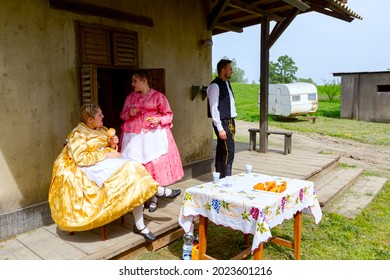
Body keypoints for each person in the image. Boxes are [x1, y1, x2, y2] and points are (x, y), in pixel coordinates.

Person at [48, 103, 180, 242]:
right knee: (130, 169)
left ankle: (142, 222)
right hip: (89, 166)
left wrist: (112, 144)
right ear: (90, 120)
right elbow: (81, 159)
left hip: (104, 162)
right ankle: (158, 192)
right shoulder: (78, 134)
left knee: (134, 168)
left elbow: (110, 149)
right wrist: (106, 155)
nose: (103, 116)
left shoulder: (102, 129)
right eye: (100, 115)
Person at [120, 69, 184, 213]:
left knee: (153, 166)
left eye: (135, 81)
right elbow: (123, 115)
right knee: (137, 165)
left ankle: (154, 196)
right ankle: (139, 199)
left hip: (152, 136)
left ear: (144, 81)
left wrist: (158, 119)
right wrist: (130, 113)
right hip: (134, 136)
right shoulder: (130, 98)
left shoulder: (158, 97)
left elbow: (169, 115)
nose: (132, 84)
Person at [207, 59, 237, 178]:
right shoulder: (215, 85)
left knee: (222, 149)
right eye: (230, 69)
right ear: (223, 70)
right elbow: (214, 108)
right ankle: (226, 178)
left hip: (229, 121)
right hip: (223, 122)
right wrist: (219, 128)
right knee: (229, 151)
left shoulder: (226, 83)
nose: (232, 71)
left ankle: (219, 177)